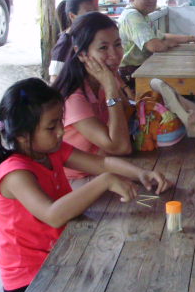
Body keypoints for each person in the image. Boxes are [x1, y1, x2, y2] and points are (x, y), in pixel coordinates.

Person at [0, 78, 172, 292]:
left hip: (62, 253)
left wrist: (140, 173)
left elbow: (102, 163)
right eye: (51, 127)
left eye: (60, 122)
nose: (61, 131)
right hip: (29, 279)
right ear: (23, 135)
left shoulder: (50, 151)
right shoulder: (15, 173)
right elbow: (53, 215)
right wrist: (104, 182)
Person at [52, 12, 134, 179]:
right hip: (77, 181)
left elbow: (128, 114)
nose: (114, 54)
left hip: (107, 167)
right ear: (81, 53)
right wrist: (111, 89)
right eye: (103, 48)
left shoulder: (103, 77)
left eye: (117, 44)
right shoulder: (73, 97)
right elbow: (121, 147)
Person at [118, 0, 195, 88]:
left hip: (143, 67)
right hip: (132, 74)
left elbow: (161, 36)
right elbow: (155, 46)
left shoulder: (142, 14)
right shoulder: (132, 16)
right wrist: (166, 43)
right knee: (187, 83)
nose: (152, 0)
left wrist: (192, 38)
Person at [49, 0, 96, 83]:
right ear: (72, 16)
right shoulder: (65, 43)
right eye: (88, 13)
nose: (94, 17)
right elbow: (54, 80)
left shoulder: (87, 36)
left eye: (95, 12)